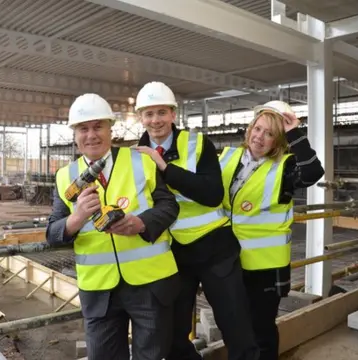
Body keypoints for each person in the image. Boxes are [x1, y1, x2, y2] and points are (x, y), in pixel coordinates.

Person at [46, 93, 181, 360]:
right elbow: (53, 233)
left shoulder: (141, 161)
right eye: (84, 128)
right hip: (99, 292)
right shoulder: (65, 177)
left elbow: (169, 207)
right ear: (75, 135)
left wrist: (141, 223)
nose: (91, 135)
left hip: (150, 285)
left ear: (111, 129)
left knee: (152, 356)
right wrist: (77, 218)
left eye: (98, 127)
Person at [133, 81, 258, 360]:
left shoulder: (197, 143)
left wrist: (164, 166)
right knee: (174, 333)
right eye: (149, 114)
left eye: (161, 112)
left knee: (235, 325)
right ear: (140, 117)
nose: (156, 121)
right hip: (172, 254)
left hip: (214, 248)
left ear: (173, 114)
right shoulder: (132, 157)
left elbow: (213, 195)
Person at [219, 100, 324, 360]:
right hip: (229, 262)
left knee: (261, 331)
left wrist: (294, 132)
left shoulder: (284, 168)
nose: (259, 137)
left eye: (269, 134)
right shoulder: (226, 157)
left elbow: (313, 171)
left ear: (278, 141)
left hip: (264, 269)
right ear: (249, 128)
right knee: (234, 329)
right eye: (258, 129)